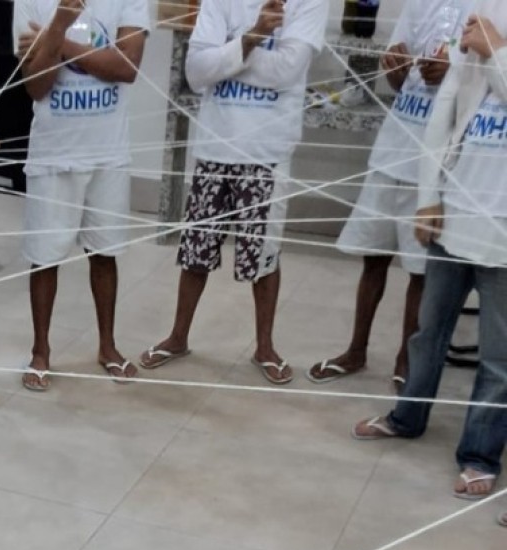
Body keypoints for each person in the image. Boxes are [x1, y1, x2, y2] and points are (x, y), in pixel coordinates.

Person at [353, 5, 507, 504]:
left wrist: (497, 51)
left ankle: (479, 456)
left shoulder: (491, 35)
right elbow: (445, 109)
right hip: (454, 208)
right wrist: (428, 196)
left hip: (501, 230)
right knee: (428, 331)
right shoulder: (488, 13)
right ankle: (407, 416)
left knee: (499, 357)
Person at [140, 0, 327, 384]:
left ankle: (265, 347)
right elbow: (195, 71)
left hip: (267, 152)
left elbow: (287, 72)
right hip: (215, 146)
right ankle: (178, 337)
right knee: (195, 250)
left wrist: (228, 55)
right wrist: (253, 38)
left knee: (264, 255)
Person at [308, 0, 471, 391]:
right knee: (373, 257)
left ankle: (405, 359)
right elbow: (397, 78)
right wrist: (395, 69)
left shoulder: (486, 9)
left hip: (434, 163)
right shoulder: (419, 4)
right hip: (393, 148)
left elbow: (485, 86)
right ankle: (356, 350)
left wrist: (453, 72)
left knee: (419, 270)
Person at [13, 0, 149, 391]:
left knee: (104, 254)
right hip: (53, 153)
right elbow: (37, 87)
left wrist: (56, 41)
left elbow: (126, 68)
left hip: (108, 152)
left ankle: (108, 347)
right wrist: (60, 23)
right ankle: (40, 351)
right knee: (44, 257)